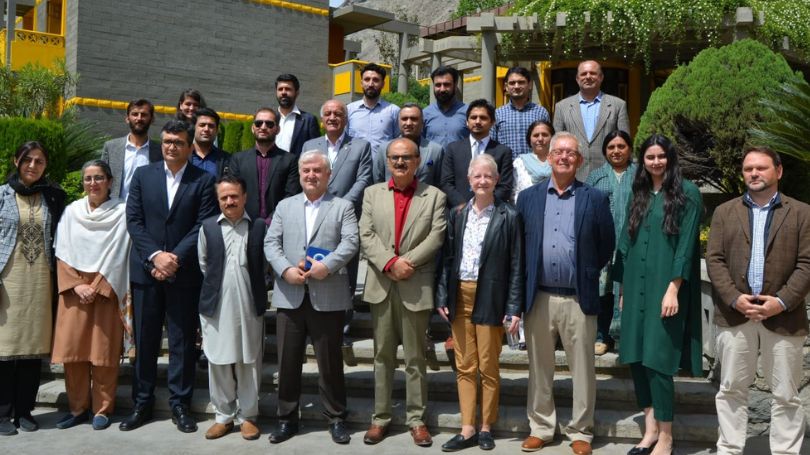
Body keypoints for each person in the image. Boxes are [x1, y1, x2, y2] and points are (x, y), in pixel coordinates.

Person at [707, 146, 810, 455]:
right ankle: (729, 449)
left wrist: (781, 301)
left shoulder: (802, 213)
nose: (753, 173)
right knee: (731, 390)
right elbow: (714, 260)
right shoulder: (725, 212)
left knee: (786, 394)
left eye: (761, 168)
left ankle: (785, 452)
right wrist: (734, 298)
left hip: (783, 316)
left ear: (777, 172)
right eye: (748, 168)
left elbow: (807, 263)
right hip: (736, 314)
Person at [516, 132, 614, 455]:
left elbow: (606, 245)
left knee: (583, 368)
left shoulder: (595, 199)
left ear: (580, 160)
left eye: (570, 153)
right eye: (558, 151)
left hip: (578, 297)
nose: (563, 157)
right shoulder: (528, 198)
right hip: (539, 296)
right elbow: (521, 248)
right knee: (539, 366)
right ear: (549, 157)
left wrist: (585, 272)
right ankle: (541, 427)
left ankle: (582, 431)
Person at [121, 120, 217, 433]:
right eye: (166, 141)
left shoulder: (203, 180)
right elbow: (134, 221)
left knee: (182, 343)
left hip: (183, 273)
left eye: (177, 142)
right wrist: (155, 257)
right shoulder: (143, 175)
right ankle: (142, 403)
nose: (171, 146)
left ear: (190, 146)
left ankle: (180, 405)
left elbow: (202, 223)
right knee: (146, 342)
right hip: (147, 273)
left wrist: (173, 257)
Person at [614, 134, 703, 455]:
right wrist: (622, 288)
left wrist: (673, 289)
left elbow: (686, 246)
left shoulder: (688, 193)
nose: (655, 162)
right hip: (635, 288)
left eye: (661, 156)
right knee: (636, 358)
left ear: (670, 157)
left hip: (665, 289)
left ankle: (666, 435)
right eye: (650, 157)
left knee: (658, 361)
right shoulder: (639, 193)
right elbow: (626, 240)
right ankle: (650, 429)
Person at [264, 151, 359, 445]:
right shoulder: (284, 205)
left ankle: (336, 418)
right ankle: (286, 419)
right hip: (290, 294)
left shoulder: (342, 206)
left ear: (328, 175)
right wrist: (285, 270)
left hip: (327, 295)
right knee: (288, 362)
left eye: (318, 170)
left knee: (329, 362)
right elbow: (271, 243)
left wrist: (326, 266)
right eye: (306, 170)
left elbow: (351, 241)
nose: (311, 175)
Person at [359, 138, 446, 447]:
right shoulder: (372, 194)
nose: (400, 162)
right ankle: (380, 418)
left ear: (417, 160)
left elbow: (436, 237)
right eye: (394, 157)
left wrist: (406, 263)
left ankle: (416, 419)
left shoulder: (434, 196)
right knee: (382, 356)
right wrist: (390, 263)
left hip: (414, 283)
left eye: (406, 157)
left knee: (414, 358)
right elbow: (365, 234)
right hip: (382, 284)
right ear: (387, 161)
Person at [436, 154, 524, 452]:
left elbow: (516, 265)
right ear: (469, 181)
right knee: (464, 365)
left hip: (491, 296)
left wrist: (514, 307)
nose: (483, 181)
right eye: (477, 176)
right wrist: (441, 296)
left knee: (488, 365)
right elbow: (446, 260)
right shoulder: (458, 214)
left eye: (488, 176)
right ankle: (467, 428)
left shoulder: (508, 216)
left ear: (497, 180)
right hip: (459, 294)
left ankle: (486, 426)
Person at [51, 160, 130, 431]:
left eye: (98, 178)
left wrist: (97, 286)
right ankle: (77, 408)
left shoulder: (122, 211)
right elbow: (61, 250)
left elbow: (121, 251)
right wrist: (76, 285)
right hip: (74, 289)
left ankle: (102, 410)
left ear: (109, 181)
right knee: (74, 352)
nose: (93, 183)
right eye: (88, 179)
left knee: (104, 353)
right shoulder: (72, 211)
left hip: (107, 287)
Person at [0, 141, 66, 436]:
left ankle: (25, 411)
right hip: (8, 280)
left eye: (39, 161)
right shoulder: (1, 195)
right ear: (16, 161)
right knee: (4, 348)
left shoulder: (53, 197)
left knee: (31, 350)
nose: (32, 166)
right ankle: (2, 412)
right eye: (27, 159)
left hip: (40, 281)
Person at [197, 175, 266, 441]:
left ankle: (248, 416)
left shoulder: (258, 227)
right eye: (224, 197)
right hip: (216, 306)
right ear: (218, 200)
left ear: (245, 197)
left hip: (249, 305)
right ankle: (223, 417)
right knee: (219, 362)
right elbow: (204, 264)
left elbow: (264, 266)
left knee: (248, 362)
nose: (229, 201)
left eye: (234, 196)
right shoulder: (208, 228)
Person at [585, 130, 637, 356]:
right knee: (603, 292)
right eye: (611, 147)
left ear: (630, 149)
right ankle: (601, 335)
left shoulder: (640, 175)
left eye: (621, 146)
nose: (616, 151)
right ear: (605, 151)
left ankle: (626, 336)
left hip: (633, 244)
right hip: (603, 244)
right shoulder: (596, 177)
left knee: (629, 291)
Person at [553, 60, 629, 180]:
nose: (588, 77)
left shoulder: (618, 105)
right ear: (577, 79)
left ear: (601, 77)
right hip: (573, 175)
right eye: (583, 74)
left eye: (593, 73)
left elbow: (625, 144)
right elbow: (555, 144)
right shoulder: (562, 107)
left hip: (608, 175)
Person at [302, 99, 373, 215]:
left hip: (348, 212)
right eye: (327, 114)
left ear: (346, 120)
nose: (332, 117)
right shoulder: (309, 146)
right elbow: (304, 178)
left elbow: (363, 180)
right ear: (322, 120)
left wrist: (341, 206)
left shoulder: (361, 146)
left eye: (338, 114)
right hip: (314, 210)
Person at [229, 107, 300, 222]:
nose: (263, 127)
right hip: (244, 224)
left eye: (269, 124)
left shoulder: (290, 160)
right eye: (258, 123)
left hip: (278, 225)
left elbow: (291, 195)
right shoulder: (238, 159)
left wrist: (272, 220)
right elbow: (233, 192)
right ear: (253, 128)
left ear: (277, 129)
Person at [441, 99, 513, 209]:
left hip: (491, 212)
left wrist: (486, 205)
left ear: (492, 122)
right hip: (459, 211)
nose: (477, 121)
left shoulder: (503, 151)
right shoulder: (453, 149)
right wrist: (462, 205)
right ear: (467, 121)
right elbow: (446, 183)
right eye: (473, 117)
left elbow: (505, 186)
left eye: (483, 118)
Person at [100, 98, 163, 200]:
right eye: (135, 114)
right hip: (114, 208)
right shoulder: (111, 147)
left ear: (152, 119)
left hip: (146, 210)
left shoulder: (160, 150)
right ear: (127, 118)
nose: (139, 118)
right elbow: (101, 178)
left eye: (144, 115)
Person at [375, 103, 444, 187]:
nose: (408, 123)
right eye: (404, 119)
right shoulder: (384, 149)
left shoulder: (436, 150)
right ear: (398, 122)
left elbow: (440, 183)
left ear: (422, 123)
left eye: (414, 119)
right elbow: (378, 181)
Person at [346, 63, 400, 167]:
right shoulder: (349, 110)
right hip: (355, 168)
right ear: (361, 83)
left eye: (375, 80)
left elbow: (398, 141)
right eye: (367, 79)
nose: (371, 84)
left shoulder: (393, 111)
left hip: (384, 168)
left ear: (383, 84)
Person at [492, 66, 550, 159]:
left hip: (535, 169)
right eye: (512, 83)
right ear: (506, 87)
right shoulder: (497, 114)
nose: (516, 86)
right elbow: (492, 145)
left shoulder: (541, 113)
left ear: (530, 85)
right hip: (507, 170)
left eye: (521, 82)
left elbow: (549, 143)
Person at [275, 73, 320, 157]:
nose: (283, 92)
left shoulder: (309, 120)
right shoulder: (269, 119)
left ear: (297, 92)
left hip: (297, 169)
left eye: (288, 89)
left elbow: (315, 151)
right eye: (280, 89)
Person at [423, 66, 469, 148]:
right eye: (438, 85)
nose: (442, 89)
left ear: (455, 85)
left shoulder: (468, 112)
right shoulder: (425, 114)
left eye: (446, 84)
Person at [513, 120, 554, 202]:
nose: (540, 139)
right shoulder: (519, 163)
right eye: (536, 135)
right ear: (529, 139)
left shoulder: (559, 161)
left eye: (545, 135)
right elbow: (515, 191)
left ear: (552, 138)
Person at [190, 107, 231, 178]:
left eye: (211, 126)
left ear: (217, 130)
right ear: (194, 128)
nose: (206, 129)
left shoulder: (227, 160)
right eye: (202, 125)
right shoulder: (182, 155)